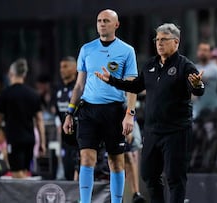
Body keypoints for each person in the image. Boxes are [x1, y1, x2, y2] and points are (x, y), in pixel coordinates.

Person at [95, 23, 205, 203]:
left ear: (176, 42)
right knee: (148, 174)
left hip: (176, 131)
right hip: (152, 131)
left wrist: (197, 85)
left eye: (164, 40)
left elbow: (198, 89)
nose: (159, 43)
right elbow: (136, 86)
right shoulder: (151, 65)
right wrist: (112, 80)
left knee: (174, 177)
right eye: (157, 40)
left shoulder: (185, 66)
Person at [62, 9, 138, 203]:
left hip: (114, 111)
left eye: (106, 21)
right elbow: (79, 85)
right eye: (99, 21)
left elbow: (132, 86)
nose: (101, 24)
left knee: (116, 161)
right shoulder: (86, 49)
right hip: (88, 110)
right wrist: (69, 112)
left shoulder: (127, 50)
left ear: (116, 25)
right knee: (86, 159)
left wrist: (130, 114)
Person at [0, 58, 46, 178]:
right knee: (25, 172)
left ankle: (22, 197)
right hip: (30, 140)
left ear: (10, 73)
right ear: (24, 74)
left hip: (14, 140)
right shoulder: (33, 94)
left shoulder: (6, 94)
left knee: (17, 173)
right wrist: (42, 142)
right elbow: (39, 120)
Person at [54, 56, 79, 181]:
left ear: (75, 68)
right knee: (67, 167)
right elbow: (56, 111)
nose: (61, 70)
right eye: (60, 67)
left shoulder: (79, 87)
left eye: (65, 66)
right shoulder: (58, 89)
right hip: (65, 138)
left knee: (78, 168)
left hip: (78, 136)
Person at [193, 42, 217, 119]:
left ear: (210, 53)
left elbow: (198, 77)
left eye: (205, 50)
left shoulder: (214, 68)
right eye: (200, 50)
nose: (202, 52)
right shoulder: (195, 67)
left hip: (213, 109)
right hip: (199, 108)